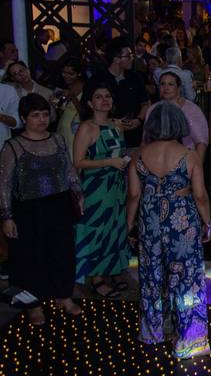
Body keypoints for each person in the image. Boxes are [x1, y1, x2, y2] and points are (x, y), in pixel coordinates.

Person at [126, 102, 211, 359]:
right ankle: (188, 340)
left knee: (152, 276)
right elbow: (200, 196)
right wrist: (208, 223)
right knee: (186, 278)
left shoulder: (138, 155)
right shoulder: (189, 156)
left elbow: (134, 195)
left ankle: (153, 332)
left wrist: (129, 225)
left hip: (150, 221)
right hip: (181, 222)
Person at [0, 93, 83, 325]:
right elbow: (4, 184)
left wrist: (78, 193)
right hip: (28, 210)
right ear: (23, 118)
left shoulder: (57, 139)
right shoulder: (13, 146)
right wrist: (7, 217)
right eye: (35, 115)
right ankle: (33, 304)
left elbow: (68, 169)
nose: (42, 119)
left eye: (45, 114)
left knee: (62, 253)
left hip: (59, 205)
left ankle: (63, 295)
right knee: (30, 258)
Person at [72, 82, 130, 297]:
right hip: (96, 188)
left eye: (107, 96)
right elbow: (77, 161)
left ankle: (111, 270)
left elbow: (120, 155)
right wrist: (109, 162)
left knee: (114, 229)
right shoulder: (86, 128)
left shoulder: (116, 126)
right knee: (96, 230)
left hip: (117, 186)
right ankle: (96, 278)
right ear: (90, 103)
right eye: (99, 96)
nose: (105, 100)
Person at [90, 39, 149, 150]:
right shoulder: (98, 79)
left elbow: (145, 103)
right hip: (105, 135)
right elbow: (88, 106)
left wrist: (138, 120)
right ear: (116, 59)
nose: (132, 58)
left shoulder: (135, 78)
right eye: (128, 56)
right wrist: (112, 122)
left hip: (133, 137)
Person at [143, 72, 208, 163]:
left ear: (179, 88)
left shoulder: (192, 109)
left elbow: (201, 143)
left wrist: (197, 165)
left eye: (171, 84)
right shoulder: (153, 109)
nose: (166, 88)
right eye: (162, 84)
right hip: (156, 161)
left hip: (184, 161)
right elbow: (145, 140)